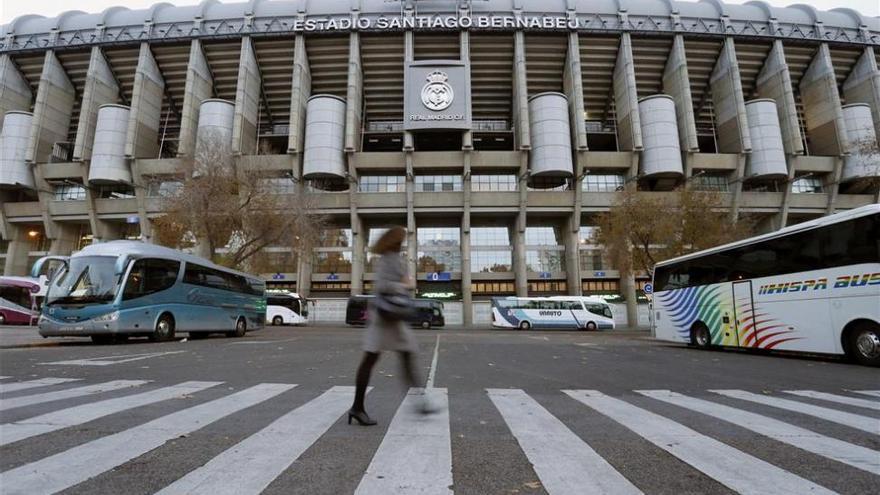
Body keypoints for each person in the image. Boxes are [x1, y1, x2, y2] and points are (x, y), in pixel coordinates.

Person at [348, 226, 433, 426]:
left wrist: (405, 283)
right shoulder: (389, 258)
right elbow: (383, 286)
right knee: (374, 359)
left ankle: (419, 403)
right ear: (395, 241)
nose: (403, 242)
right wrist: (405, 285)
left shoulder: (394, 258)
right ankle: (357, 408)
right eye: (401, 238)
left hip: (392, 319)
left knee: (404, 355)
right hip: (385, 318)